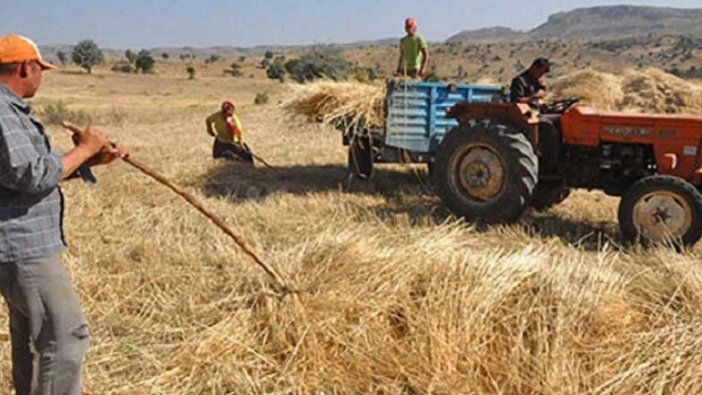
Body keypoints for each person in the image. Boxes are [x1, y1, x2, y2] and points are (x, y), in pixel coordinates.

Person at [0, 34, 127, 394]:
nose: (41, 76)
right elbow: (31, 174)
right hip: (23, 246)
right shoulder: (2, 110)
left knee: (32, 339)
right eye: (40, 69)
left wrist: (89, 157)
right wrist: (85, 148)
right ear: (26, 67)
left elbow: (18, 175)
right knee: (66, 336)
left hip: (17, 246)